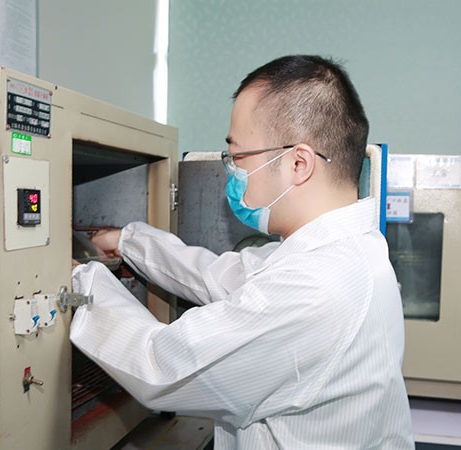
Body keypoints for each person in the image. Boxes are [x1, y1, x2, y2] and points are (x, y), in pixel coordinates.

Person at [71, 54, 414, 449]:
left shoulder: (316, 286)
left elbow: (159, 366)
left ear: (298, 163)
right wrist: (127, 240)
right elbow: (219, 276)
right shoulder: (345, 253)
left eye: (237, 156)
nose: (231, 169)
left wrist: (78, 276)